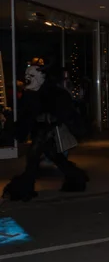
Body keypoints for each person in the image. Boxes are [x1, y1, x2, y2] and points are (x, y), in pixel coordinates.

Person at [2, 60, 88, 201]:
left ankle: (25, 188)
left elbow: (66, 113)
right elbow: (27, 116)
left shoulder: (54, 94)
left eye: (32, 75)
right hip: (41, 131)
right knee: (54, 157)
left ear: (42, 77)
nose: (28, 78)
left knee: (33, 159)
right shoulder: (31, 94)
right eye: (27, 75)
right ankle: (75, 177)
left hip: (48, 131)